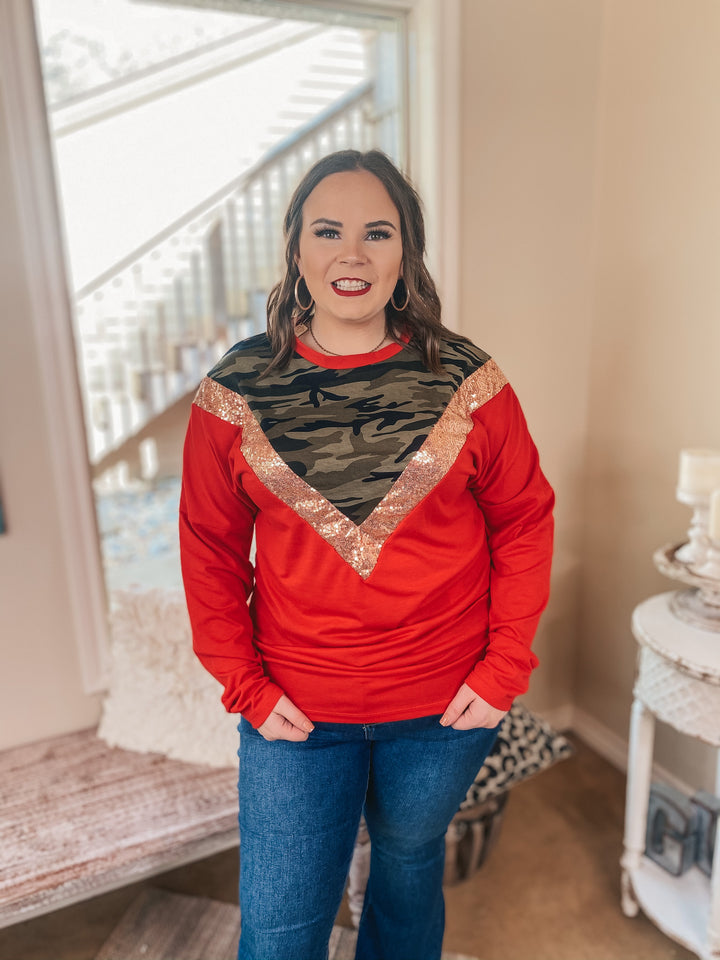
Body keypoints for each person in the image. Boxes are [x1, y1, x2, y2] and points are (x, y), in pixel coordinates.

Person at [179, 149, 554, 960]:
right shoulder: (235, 389)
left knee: (410, 870)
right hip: (294, 714)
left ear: (404, 251)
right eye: (329, 231)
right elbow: (209, 546)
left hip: (444, 710)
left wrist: (502, 674)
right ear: (297, 249)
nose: (352, 254)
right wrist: (240, 682)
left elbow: (525, 519)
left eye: (377, 232)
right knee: (280, 931)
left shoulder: (469, 380)